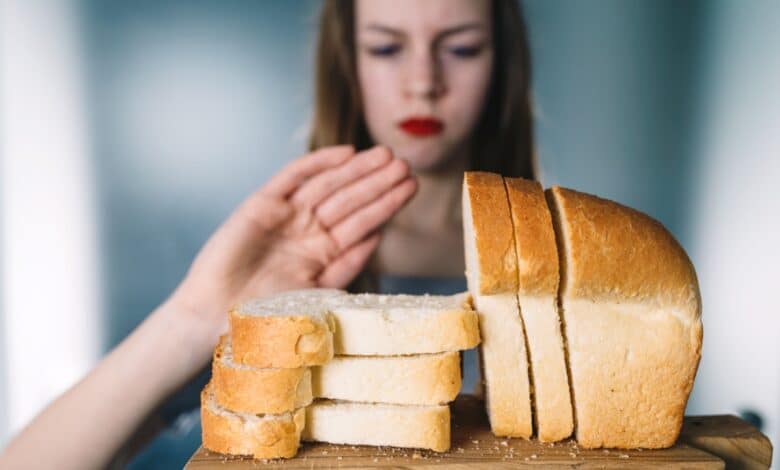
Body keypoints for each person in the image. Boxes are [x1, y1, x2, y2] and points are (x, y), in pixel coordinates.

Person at [0, 0, 535, 468]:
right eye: (385, 48)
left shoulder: (546, 265)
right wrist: (193, 317)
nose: (423, 81)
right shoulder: (277, 261)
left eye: (462, 49)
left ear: (503, 66)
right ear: (346, 61)